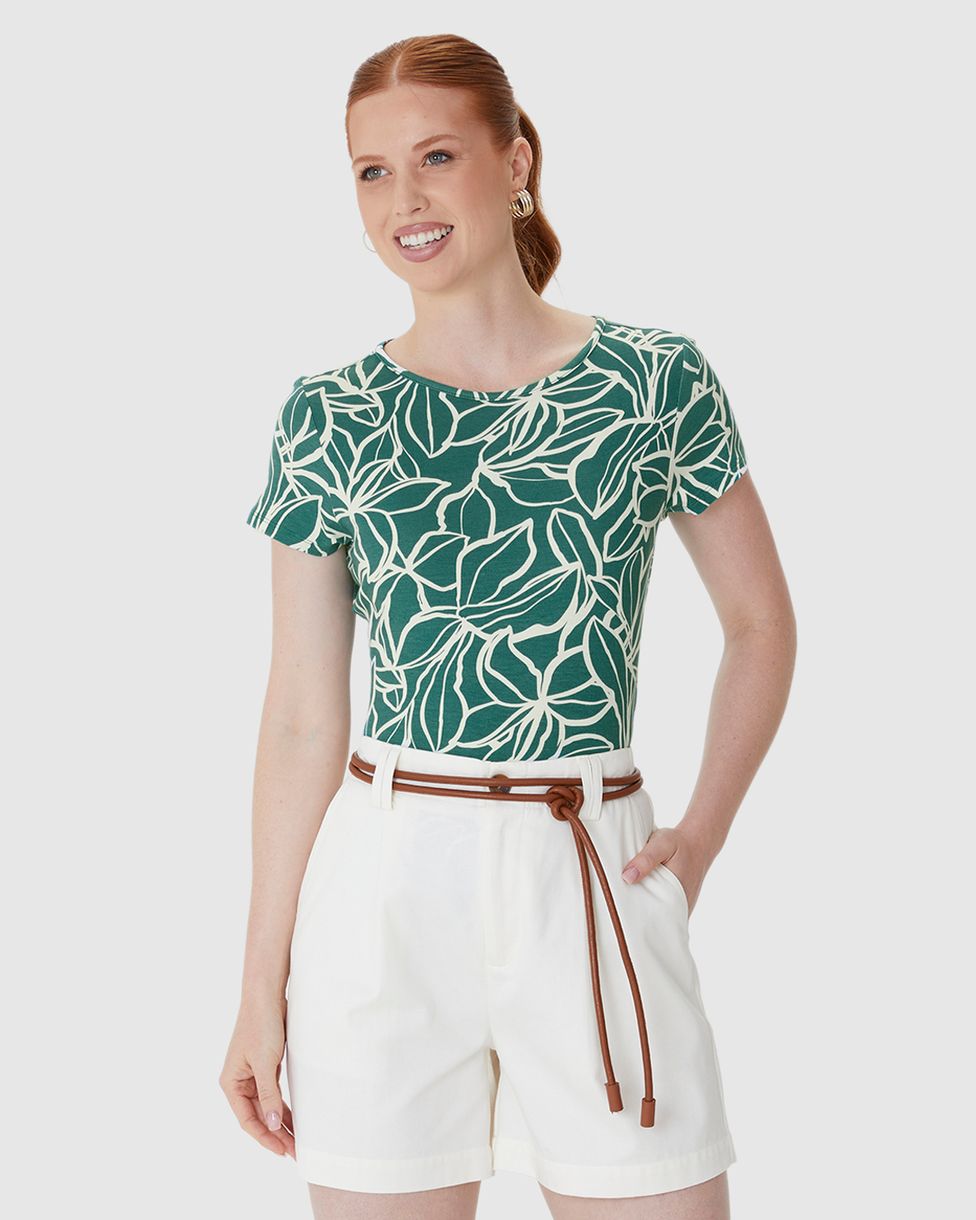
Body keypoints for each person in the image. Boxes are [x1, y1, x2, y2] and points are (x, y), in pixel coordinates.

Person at [220, 32, 796, 1220]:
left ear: (515, 160)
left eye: (436, 156)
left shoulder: (651, 379)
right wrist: (257, 986)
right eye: (372, 171)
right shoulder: (329, 414)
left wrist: (698, 838)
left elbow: (758, 622)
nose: (405, 199)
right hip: (385, 881)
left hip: (586, 861)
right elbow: (300, 717)